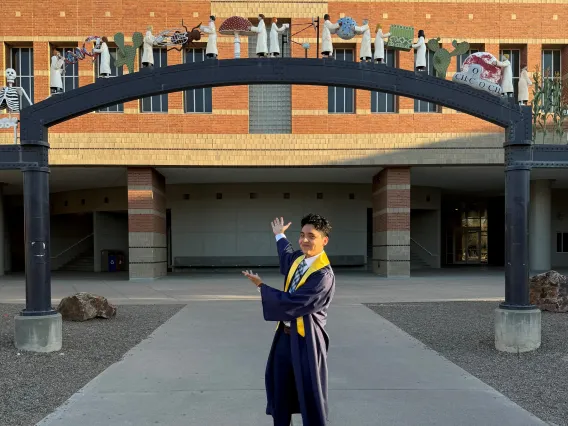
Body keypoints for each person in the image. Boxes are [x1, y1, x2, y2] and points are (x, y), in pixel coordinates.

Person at [242, 214, 335, 426]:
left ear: (324, 240)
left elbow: (294, 303)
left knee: (309, 392)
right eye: (302, 235)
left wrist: (261, 287)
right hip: (284, 337)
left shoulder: (322, 275)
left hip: (307, 340)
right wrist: (280, 235)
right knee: (280, 386)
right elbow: (286, 258)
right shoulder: (299, 260)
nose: (304, 240)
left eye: (311, 236)